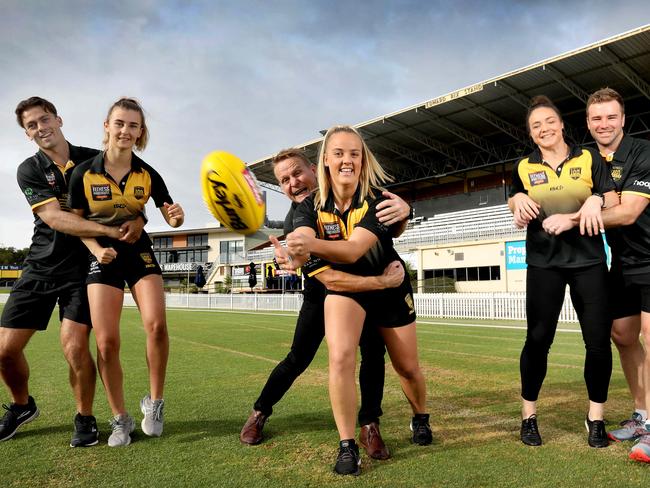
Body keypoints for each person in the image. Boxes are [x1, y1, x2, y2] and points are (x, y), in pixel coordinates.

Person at [240, 148, 410, 463]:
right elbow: (332, 280)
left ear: (315, 169)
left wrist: (404, 212)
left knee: (373, 354)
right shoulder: (297, 220)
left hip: (368, 292)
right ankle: (259, 412)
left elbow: (386, 233)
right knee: (298, 358)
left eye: (297, 173)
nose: (293, 182)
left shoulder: (352, 193)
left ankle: (370, 424)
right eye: (284, 179)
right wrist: (381, 283)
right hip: (324, 294)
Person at [279, 127, 431, 476]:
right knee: (341, 356)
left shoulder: (377, 200)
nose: (346, 159)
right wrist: (297, 248)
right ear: (326, 161)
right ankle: (347, 444)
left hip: (389, 286)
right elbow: (301, 235)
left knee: (407, 367)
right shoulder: (310, 205)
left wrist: (308, 248)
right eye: (338, 153)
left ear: (363, 161)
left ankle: (420, 416)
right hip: (347, 289)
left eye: (354, 153)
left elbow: (352, 250)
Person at [0, 96, 142, 447]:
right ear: (27, 133)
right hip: (40, 265)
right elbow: (53, 217)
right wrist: (108, 232)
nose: (40, 127)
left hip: (85, 270)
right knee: (4, 351)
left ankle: (85, 417)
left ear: (59, 120)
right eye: (31, 125)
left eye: (44, 119)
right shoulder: (29, 169)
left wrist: (139, 217)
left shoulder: (97, 159)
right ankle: (22, 406)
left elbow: (133, 194)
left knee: (75, 347)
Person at [68, 97, 184, 447]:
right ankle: (120, 419)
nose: (125, 130)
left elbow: (171, 215)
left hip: (139, 253)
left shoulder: (148, 173)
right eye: (119, 123)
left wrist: (176, 215)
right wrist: (96, 249)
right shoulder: (83, 172)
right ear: (107, 126)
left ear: (140, 132)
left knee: (157, 325)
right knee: (106, 341)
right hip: (100, 255)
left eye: (133, 125)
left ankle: (155, 404)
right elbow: (74, 221)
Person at [508, 95, 617, 449]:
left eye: (549, 122)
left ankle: (596, 419)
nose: (544, 129)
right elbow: (515, 199)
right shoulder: (524, 166)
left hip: (589, 263)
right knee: (538, 341)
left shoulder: (587, 157)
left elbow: (610, 199)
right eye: (536, 126)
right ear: (531, 133)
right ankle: (528, 417)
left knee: (598, 343)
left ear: (561, 124)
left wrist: (594, 199)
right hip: (544, 264)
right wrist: (516, 201)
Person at [578, 88, 650, 462]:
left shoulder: (642, 152)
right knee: (622, 335)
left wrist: (579, 216)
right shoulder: (589, 159)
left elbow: (628, 212)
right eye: (596, 118)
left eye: (610, 117)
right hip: (621, 262)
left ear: (623, 119)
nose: (603, 124)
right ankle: (643, 416)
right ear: (588, 123)